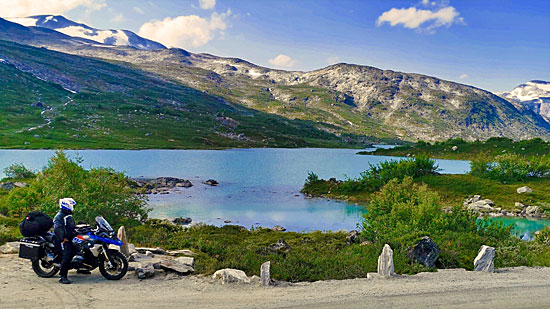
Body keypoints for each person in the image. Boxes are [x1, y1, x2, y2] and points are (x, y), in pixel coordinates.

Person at [54, 198, 77, 284]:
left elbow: (70, 226)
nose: (72, 207)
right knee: (68, 255)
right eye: (71, 205)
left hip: (70, 238)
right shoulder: (59, 216)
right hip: (62, 240)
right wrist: (62, 238)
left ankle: (81, 268)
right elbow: (57, 229)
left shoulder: (67, 215)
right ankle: (63, 276)